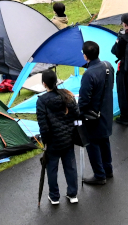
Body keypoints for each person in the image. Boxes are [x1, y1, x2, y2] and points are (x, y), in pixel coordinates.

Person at [36, 70, 80, 204]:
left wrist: (46, 142)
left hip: (53, 142)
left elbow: (43, 126)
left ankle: (54, 196)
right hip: (68, 139)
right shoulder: (67, 95)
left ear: (44, 84)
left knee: (52, 169)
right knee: (70, 167)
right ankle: (73, 195)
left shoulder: (42, 101)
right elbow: (77, 115)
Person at [78, 41, 114, 185]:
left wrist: (79, 112)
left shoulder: (88, 74)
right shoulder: (108, 66)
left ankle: (99, 175)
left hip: (93, 115)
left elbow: (84, 100)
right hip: (106, 109)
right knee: (104, 140)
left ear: (86, 56)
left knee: (92, 143)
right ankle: (108, 169)